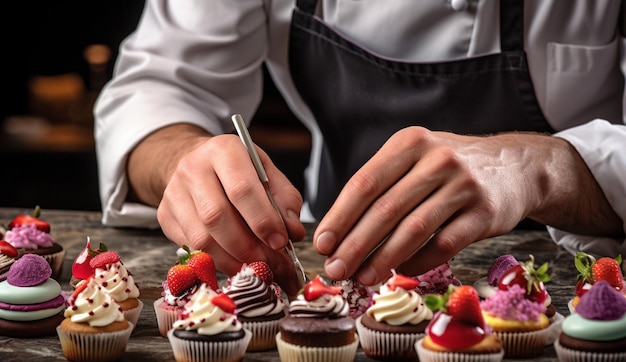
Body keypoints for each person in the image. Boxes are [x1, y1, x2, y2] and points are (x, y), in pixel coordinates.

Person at [94, 0, 626, 296]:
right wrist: (180, 159)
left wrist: (542, 168)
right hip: (333, 261)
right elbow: (160, 85)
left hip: (576, 281)